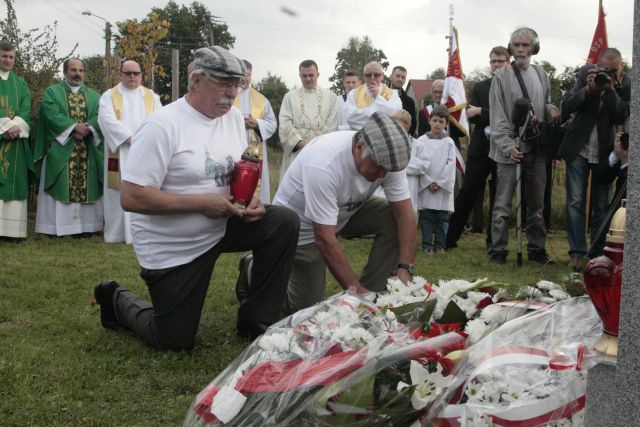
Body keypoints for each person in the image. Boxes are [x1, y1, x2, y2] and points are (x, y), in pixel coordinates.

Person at [91, 46, 299, 350]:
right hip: (175, 246)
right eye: (223, 83)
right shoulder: (162, 125)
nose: (231, 93)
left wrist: (251, 199)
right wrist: (202, 204)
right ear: (196, 79)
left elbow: (238, 169)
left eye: (237, 84)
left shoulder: (230, 119)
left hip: (221, 226)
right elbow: (132, 198)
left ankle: (256, 320)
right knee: (173, 340)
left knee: (283, 221)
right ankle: (115, 297)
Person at [273, 112, 416, 314]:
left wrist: (405, 268)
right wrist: (355, 291)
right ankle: (256, 268)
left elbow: (405, 216)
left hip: (345, 211)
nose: (383, 175)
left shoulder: (388, 158)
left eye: (388, 169)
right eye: (378, 167)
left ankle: (373, 295)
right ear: (359, 147)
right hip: (301, 228)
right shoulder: (323, 163)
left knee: (391, 215)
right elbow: (323, 237)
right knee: (302, 309)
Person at [488, 27, 560, 264]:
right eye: (516, 45)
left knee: (536, 205)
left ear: (533, 48)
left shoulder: (541, 74)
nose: (520, 49)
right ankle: (498, 251)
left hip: (536, 148)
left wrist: (550, 108)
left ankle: (537, 250)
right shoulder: (501, 77)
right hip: (509, 149)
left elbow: (546, 100)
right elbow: (497, 117)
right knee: (502, 205)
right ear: (511, 47)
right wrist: (509, 145)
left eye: (525, 45)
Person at [558, 47, 630, 269]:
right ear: (598, 65)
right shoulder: (585, 75)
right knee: (575, 201)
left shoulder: (627, 83)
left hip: (606, 151)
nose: (607, 73)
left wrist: (610, 91)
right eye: (604, 69)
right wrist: (589, 89)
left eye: (612, 69)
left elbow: (621, 114)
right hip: (579, 147)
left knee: (602, 205)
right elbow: (566, 107)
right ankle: (577, 253)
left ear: (621, 66)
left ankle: (597, 253)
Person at [446, 46, 510, 251]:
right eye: (493, 61)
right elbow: (470, 113)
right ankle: (450, 238)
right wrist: (485, 113)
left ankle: (494, 241)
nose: (496, 65)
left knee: (499, 196)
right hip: (480, 147)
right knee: (467, 192)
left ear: (508, 62)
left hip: (504, 148)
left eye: (500, 61)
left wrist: (483, 111)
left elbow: (510, 117)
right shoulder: (480, 87)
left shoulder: (514, 87)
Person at [34, 58, 104, 237]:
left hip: (87, 149)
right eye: (73, 70)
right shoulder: (52, 93)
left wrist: (88, 128)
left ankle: (87, 227)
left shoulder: (95, 96)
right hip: (61, 148)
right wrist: (74, 127)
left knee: (89, 182)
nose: (77, 74)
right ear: (65, 72)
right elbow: (50, 114)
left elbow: (101, 115)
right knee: (61, 182)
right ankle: (57, 228)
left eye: (80, 70)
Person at [98, 60, 162, 244]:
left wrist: (145, 141)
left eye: (136, 73)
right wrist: (131, 138)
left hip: (146, 151)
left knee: (146, 188)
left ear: (142, 75)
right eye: (128, 73)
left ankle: (144, 233)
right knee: (117, 190)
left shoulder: (152, 97)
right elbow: (106, 120)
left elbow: (160, 121)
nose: (132, 77)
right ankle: (117, 234)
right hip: (121, 152)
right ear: (120, 74)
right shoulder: (109, 96)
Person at [279, 60, 339, 178]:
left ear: (318, 74)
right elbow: (284, 124)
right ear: (299, 75)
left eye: (311, 75)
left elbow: (332, 126)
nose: (308, 79)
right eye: (304, 76)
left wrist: (315, 146)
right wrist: (300, 143)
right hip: (296, 153)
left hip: (321, 154)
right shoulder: (289, 97)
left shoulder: (331, 97)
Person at [408, 106, 455, 254]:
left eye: (441, 121)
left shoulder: (449, 142)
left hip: (442, 187)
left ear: (446, 124)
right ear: (429, 121)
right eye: (435, 120)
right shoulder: (421, 140)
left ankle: (440, 245)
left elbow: (451, 163)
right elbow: (418, 163)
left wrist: (440, 183)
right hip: (427, 186)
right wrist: (428, 182)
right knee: (426, 218)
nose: (437, 124)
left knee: (442, 218)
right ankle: (427, 245)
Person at [234, 60, 277, 203]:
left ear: (251, 75)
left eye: (247, 74)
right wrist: (240, 123)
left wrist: (257, 123)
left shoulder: (261, 99)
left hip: (255, 151)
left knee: (256, 185)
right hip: (234, 147)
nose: (244, 78)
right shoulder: (229, 95)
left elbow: (272, 123)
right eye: (241, 74)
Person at [0, 41, 31, 240]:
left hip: (16, 144)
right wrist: (6, 126)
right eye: (4, 56)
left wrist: (15, 126)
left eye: (11, 57)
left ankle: (12, 232)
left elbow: (25, 107)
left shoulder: (20, 83)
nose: (8, 60)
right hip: (6, 135)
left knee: (15, 183)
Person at [343, 61, 402, 130]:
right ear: (364, 76)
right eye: (368, 75)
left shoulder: (392, 94)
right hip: (360, 136)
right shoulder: (353, 94)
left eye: (376, 74)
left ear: (382, 76)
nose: (372, 78)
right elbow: (351, 117)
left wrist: (377, 97)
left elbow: (396, 115)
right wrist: (380, 115)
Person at [390, 65, 417, 136]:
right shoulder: (381, 96)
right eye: (397, 76)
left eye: (403, 77)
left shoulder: (409, 102)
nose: (400, 79)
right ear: (391, 77)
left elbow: (412, 125)